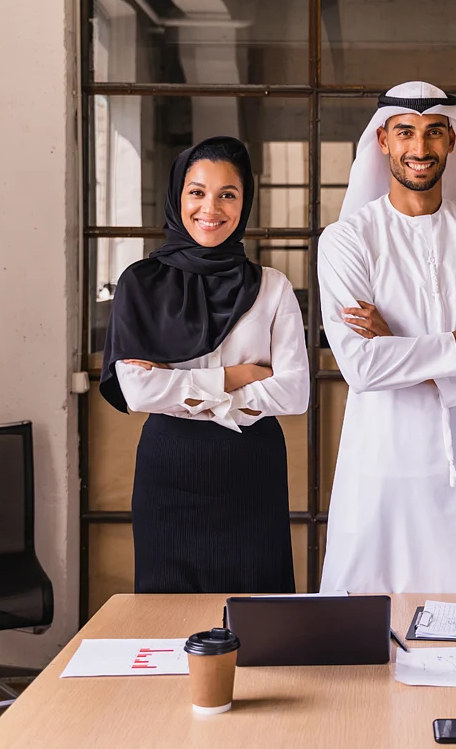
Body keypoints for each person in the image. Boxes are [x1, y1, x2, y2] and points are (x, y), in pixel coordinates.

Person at [317, 81, 456, 594]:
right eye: (405, 133)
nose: (419, 148)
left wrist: (399, 350)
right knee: (371, 622)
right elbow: (362, 367)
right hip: (383, 464)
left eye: (433, 133)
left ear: (452, 140)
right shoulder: (346, 240)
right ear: (383, 141)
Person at [100, 136, 309, 594]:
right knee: (167, 613)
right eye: (197, 192)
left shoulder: (271, 287)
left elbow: (294, 393)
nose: (210, 208)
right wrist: (237, 376)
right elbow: (137, 391)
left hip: (252, 468)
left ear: (244, 202)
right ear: (178, 196)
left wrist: (178, 384)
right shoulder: (140, 283)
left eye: (227, 194)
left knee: (255, 612)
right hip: (170, 467)